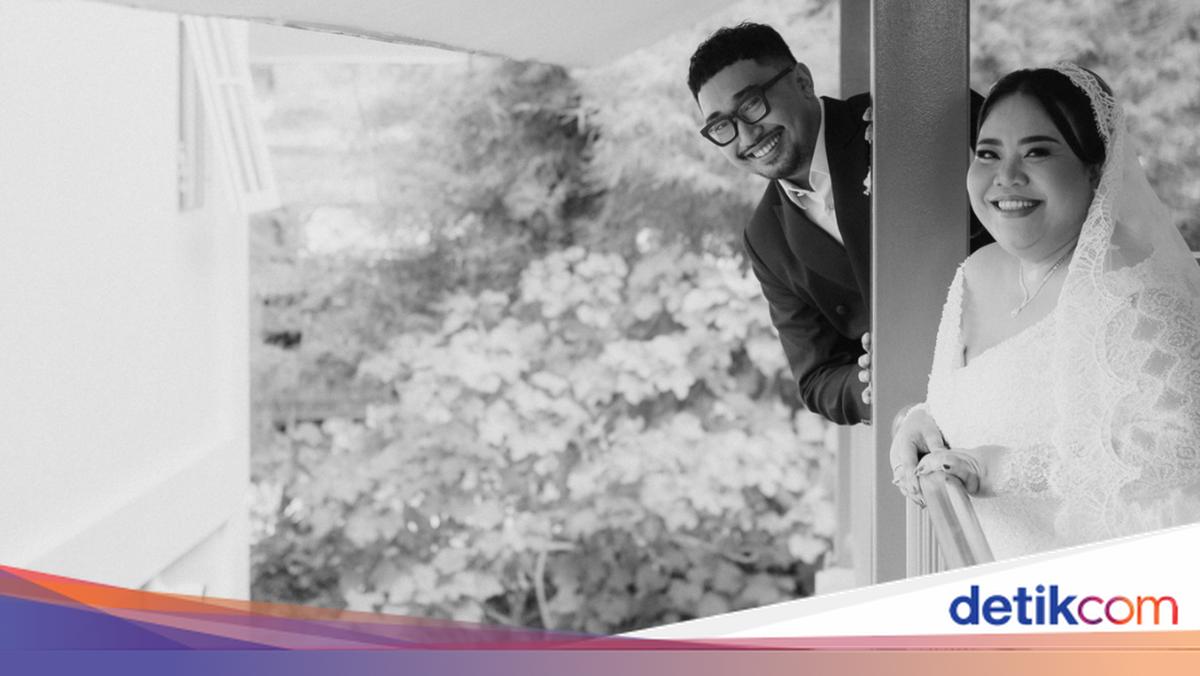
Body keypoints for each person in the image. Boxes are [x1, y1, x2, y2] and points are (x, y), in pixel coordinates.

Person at [890, 64, 1200, 560]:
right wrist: (918, 420)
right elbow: (982, 402)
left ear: (1095, 169)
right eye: (989, 153)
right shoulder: (974, 273)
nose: (1007, 176)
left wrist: (1004, 470)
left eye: (1037, 151)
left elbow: (1182, 449)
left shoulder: (1136, 290)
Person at [687, 22, 990, 425]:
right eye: (722, 126)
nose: (746, 135)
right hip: (933, 424)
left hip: (1016, 345)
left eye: (752, 105)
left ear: (802, 81)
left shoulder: (900, 114)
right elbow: (817, 377)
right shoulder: (764, 238)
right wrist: (871, 384)